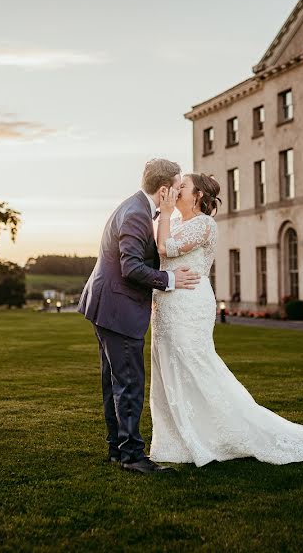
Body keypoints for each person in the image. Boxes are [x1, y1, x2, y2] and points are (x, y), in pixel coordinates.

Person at [148, 173, 303, 466]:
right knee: (169, 367)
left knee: (196, 365)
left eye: (182, 187)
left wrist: (162, 214)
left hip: (190, 304)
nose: (176, 191)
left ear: (198, 195)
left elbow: (166, 248)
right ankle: (177, 440)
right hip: (166, 305)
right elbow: (157, 256)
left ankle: (224, 433)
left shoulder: (204, 224)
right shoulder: (173, 222)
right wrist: (164, 218)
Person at [77, 159, 200, 474]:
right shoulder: (135, 214)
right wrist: (171, 280)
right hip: (118, 309)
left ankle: (118, 450)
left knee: (115, 382)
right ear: (163, 190)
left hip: (107, 307)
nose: (176, 193)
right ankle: (132, 456)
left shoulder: (136, 207)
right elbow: (131, 267)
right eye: (175, 188)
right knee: (129, 382)